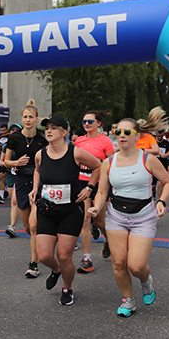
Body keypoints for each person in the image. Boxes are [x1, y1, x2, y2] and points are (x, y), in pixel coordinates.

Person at [88, 118, 169, 317]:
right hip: (116, 216)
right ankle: (128, 300)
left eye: (127, 132)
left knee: (135, 265)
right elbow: (102, 192)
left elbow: (168, 182)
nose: (122, 136)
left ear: (137, 135)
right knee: (118, 263)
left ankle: (145, 280)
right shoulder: (108, 162)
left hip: (143, 216)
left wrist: (161, 202)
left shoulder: (148, 159)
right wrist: (97, 207)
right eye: (118, 133)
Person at [30, 116, 101, 305]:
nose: (49, 131)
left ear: (64, 132)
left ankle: (67, 288)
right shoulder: (40, 154)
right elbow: (37, 171)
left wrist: (89, 188)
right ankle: (56, 270)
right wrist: (35, 188)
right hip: (46, 209)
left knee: (63, 255)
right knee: (44, 255)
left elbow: (98, 166)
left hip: (70, 211)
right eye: (47, 128)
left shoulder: (75, 152)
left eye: (54, 128)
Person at [3, 101, 46, 277]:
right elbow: (5, 161)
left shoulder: (43, 137)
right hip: (21, 180)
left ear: (36, 119)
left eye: (31, 117)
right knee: (28, 226)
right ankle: (41, 241)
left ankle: (34, 263)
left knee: (34, 226)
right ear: (22, 119)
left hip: (39, 180)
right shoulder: (14, 138)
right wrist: (16, 162)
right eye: (25, 117)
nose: (28, 120)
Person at [74, 110, 115, 273]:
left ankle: (108, 241)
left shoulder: (105, 141)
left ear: (99, 123)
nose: (86, 124)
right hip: (81, 184)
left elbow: (111, 163)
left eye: (90, 121)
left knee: (99, 221)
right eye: (84, 121)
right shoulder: (79, 141)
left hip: (100, 185)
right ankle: (87, 259)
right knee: (84, 219)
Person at [3, 123, 22, 237]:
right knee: (14, 201)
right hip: (11, 175)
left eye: (16, 130)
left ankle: (12, 226)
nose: (14, 131)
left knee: (15, 200)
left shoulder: (24, 143)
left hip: (23, 175)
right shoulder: (8, 145)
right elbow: (2, 161)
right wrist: (13, 164)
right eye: (12, 130)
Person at [0, 124, 10, 204]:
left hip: (9, 158)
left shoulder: (10, 136)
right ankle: (1, 197)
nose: (2, 132)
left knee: (9, 176)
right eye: (1, 130)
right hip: (1, 158)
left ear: (7, 130)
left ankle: (7, 189)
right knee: (1, 176)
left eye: (4, 130)